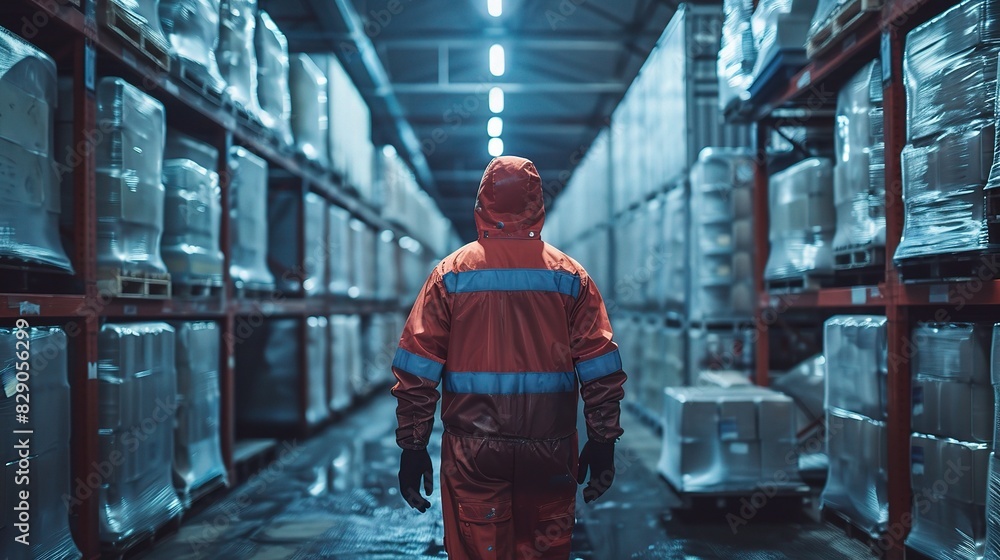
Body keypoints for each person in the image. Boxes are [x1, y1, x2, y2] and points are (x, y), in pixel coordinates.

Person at [390, 155, 627, 559]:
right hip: (550, 446)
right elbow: (601, 366)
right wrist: (603, 439)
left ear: (482, 202)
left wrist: (413, 446)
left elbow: (417, 366)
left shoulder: (451, 275)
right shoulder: (570, 277)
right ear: (537, 204)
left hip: (474, 451)